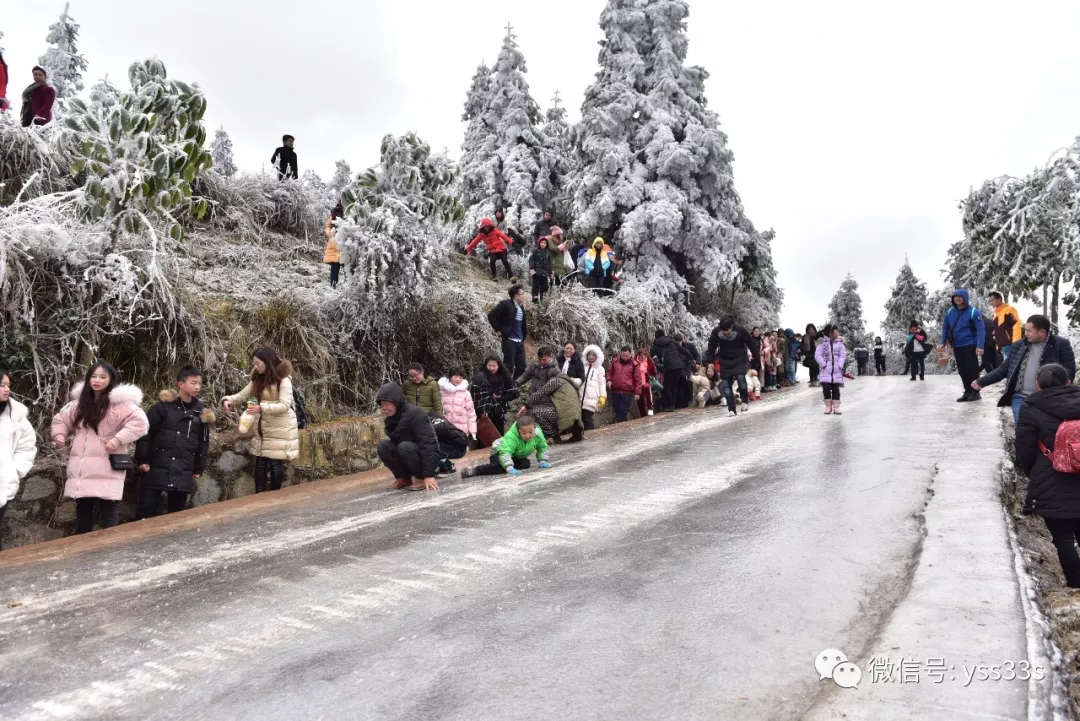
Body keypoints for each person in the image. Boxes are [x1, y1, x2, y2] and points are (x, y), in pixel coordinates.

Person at [51, 363, 149, 533]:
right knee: (83, 511)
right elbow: (61, 419)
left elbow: (141, 423)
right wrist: (59, 435)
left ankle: (110, 552)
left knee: (109, 511)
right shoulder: (79, 403)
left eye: (103, 377)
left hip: (109, 464)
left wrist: (117, 440)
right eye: (93, 376)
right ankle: (82, 552)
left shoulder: (120, 404)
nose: (97, 380)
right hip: (82, 467)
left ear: (111, 380)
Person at [1015, 364, 1080, 588]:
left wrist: (1034, 471)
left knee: (1063, 539)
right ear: (1069, 382)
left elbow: (1024, 448)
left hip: (1050, 476)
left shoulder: (1031, 406)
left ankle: (1075, 586)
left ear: (1038, 386)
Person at [134, 367, 214, 520]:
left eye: (200, 383)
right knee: (145, 513)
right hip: (157, 465)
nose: (197, 387)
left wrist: (199, 466)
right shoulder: (162, 407)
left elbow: (203, 441)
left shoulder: (201, 411)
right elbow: (146, 432)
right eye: (193, 383)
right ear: (181, 384)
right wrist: (143, 459)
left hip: (183, 469)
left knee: (176, 517)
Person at [972, 315, 1077, 426]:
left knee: (1046, 430)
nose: (1025, 333)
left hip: (1048, 398)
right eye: (1025, 330)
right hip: (1020, 397)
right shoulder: (1019, 345)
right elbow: (1004, 369)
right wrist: (981, 381)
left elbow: (1069, 371)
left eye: (1029, 331)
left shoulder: (1060, 345)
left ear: (1042, 332)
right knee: (1022, 429)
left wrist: (1062, 391)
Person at [222, 348, 300, 493]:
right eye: (254, 364)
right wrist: (229, 400)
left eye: (258, 363)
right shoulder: (258, 379)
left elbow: (285, 405)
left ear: (267, 362)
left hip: (279, 427)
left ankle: (275, 495)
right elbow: (243, 394)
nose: (255, 367)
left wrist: (261, 408)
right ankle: (259, 494)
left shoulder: (283, 380)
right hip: (262, 428)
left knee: (275, 462)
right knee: (260, 461)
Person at [375, 384, 440, 491]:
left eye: (387, 404)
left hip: (424, 456)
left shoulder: (416, 414)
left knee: (404, 446)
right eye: (382, 404)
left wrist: (428, 475)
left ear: (396, 402)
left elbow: (429, 444)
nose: (384, 408)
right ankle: (403, 478)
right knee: (383, 446)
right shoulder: (390, 419)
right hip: (407, 452)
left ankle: (421, 479)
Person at [0, 367, 37, 549]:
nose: (7, 389)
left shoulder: (17, 417)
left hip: (2, 486)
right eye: (1, 385)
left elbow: (27, 446)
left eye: (8, 385)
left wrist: (13, 471)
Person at [462, 416, 552, 478]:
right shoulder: (512, 437)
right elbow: (505, 452)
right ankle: (475, 470)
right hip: (499, 450)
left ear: (534, 429)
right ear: (518, 431)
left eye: (530, 432)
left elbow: (542, 447)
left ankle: (507, 465)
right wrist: (509, 468)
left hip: (515, 455)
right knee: (498, 466)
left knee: (525, 464)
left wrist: (542, 460)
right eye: (524, 433)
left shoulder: (537, 435)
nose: (528, 435)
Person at [938, 289, 986, 402]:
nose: (957, 298)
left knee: (972, 369)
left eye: (960, 296)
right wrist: (943, 341)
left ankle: (975, 392)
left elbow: (981, 329)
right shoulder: (950, 312)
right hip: (957, 345)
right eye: (955, 297)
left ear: (965, 297)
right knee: (962, 369)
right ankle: (967, 391)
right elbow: (945, 327)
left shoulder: (973, 311)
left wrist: (980, 345)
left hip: (970, 343)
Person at [520, 373, 585, 443]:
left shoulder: (557, 381)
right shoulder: (569, 385)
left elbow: (541, 392)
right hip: (576, 420)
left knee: (536, 412)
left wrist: (526, 405)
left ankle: (553, 437)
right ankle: (577, 434)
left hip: (565, 417)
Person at [708, 318, 753, 417]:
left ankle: (745, 401)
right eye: (722, 330)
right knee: (726, 385)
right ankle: (731, 409)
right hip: (725, 360)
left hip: (740, 358)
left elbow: (751, 343)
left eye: (726, 330)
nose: (724, 332)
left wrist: (756, 358)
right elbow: (711, 347)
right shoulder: (716, 331)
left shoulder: (741, 330)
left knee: (741, 379)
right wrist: (710, 361)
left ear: (731, 327)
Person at [487, 285, 528, 380]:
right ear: (516, 295)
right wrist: (498, 330)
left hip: (520, 341)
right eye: (522, 294)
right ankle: (505, 387)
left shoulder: (521, 307)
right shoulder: (505, 304)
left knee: (521, 367)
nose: (524, 296)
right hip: (509, 340)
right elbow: (491, 315)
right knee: (508, 366)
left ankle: (514, 386)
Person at [471, 355, 519, 437]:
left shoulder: (504, 375)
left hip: (499, 408)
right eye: (489, 365)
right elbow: (476, 395)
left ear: (499, 366)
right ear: (486, 365)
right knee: (485, 434)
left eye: (494, 366)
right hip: (485, 410)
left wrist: (501, 396)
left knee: (498, 433)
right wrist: (482, 410)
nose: (492, 368)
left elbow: (513, 392)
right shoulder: (480, 377)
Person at [651, 330, 692, 413]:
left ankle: (670, 405)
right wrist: (691, 358)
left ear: (656, 336)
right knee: (674, 385)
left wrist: (658, 365)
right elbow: (683, 350)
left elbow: (652, 356)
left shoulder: (655, 345)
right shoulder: (672, 341)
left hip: (669, 367)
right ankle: (673, 404)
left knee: (667, 386)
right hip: (679, 365)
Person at [438, 368, 477, 439]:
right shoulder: (442, 392)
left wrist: (473, 430)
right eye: (455, 377)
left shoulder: (466, 393)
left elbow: (471, 412)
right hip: (446, 426)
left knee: (462, 447)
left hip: (462, 428)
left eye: (460, 377)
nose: (458, 379)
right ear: (450, 377)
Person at [816, 325, 847, 415]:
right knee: (826, 387)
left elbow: (842, 355)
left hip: (836, 371)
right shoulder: (823, 344)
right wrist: (823, 364)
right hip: (825, 371)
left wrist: (840, 365)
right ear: (830, 333)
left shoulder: (840, 344)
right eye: (836, 331)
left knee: (835, 388)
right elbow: (817, 355)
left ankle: (836, 407)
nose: (837, 333)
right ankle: (828, 406)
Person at [607, 347, 641, 423]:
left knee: (623, 410)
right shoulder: (615, 361)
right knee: (617, 410)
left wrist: (637, 393)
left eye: (627, 356)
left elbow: (638, 379)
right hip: (615, 390)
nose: (625, 358)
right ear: (620, 354)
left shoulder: (634, 364)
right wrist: (609, 380)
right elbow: (609, 372)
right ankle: (623, 426)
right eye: (623, 356)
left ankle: (618, 425)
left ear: (630, 354)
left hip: (627, 392)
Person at [580, 345, 607, 430]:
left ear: (597, 356)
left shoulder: (600, 369)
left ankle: (592, 437)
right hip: (580, 398)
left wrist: (602, 396)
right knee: (580, 419)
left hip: (592, 398)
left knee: (587, 418)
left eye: (593, 355)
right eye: (589, 354)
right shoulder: (582, 366)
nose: (591, 356)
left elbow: (602, 383)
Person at [989, 291, 1022, 360]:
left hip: (1009, 344)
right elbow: (1001, 327)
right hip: (1001, 345)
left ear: (999, 299)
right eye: (990, 301)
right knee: (1005, 365)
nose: (991, 303)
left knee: (1011, 364)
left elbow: (1016, 325)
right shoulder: (996, 313)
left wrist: (1016, 342)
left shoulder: (1009, 309)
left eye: (992, 300)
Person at [323, 201, 343, 288]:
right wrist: (331, 234)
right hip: (334, 243)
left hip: (346, 244)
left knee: (347, 269)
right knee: (335, 267)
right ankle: (333, 287)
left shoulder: (352, 212)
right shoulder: (335, 213)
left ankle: (346, 289)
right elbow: (327, 226)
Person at [636, 346, 658, 418]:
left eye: (643, 356)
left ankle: (650, 409)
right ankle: (642, 414)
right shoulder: (634, 362)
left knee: (649, 396)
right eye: (640, 356)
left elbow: (654, 372)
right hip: (638, 383)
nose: (641, 358)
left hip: (647, 382)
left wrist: (650, 376)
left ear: (646, 356)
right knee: (640, 399)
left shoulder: (649, 362)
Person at [529, 237, 553, 303]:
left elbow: (549, 263)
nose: (543, 244)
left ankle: (542, 298)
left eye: (545, 243)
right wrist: (532, 268)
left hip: (544, 272)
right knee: (535, 285)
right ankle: (535, 297)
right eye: (542, 242)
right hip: (536, 271)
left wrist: (551, 272)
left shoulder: (548, 252)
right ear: (539, 243)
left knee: (544, 286)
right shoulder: (535, 251)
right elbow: (531, 260)